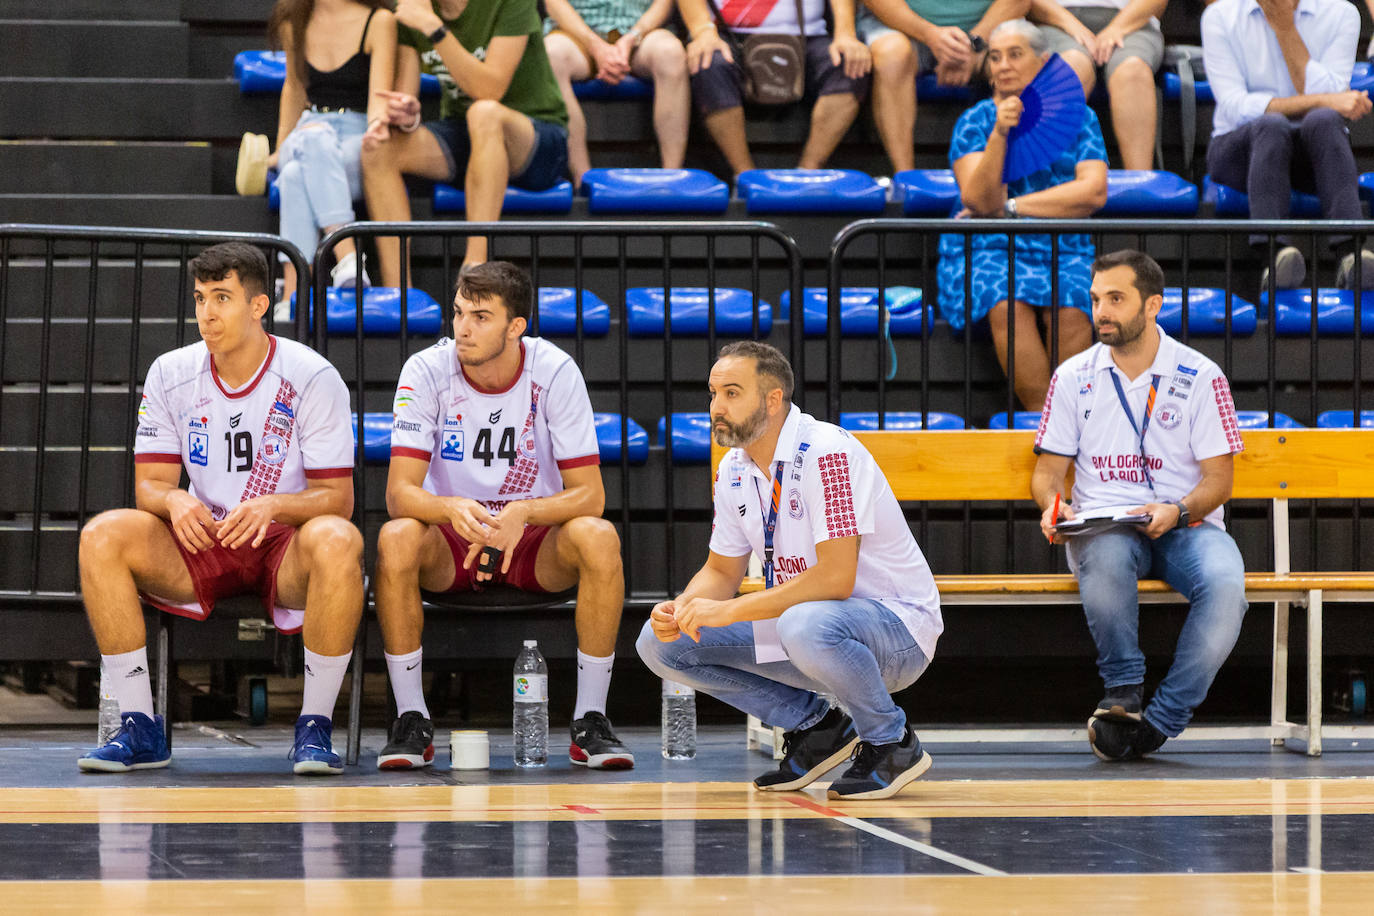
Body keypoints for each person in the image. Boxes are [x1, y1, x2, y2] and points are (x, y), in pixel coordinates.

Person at [76, 243, 364, 775]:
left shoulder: (312, 375)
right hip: (204, 536)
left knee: (339, 539)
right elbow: (151, 487)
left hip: (284, 544)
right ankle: (139, 728)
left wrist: (274, 505)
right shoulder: (171, 371)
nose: (207, 313)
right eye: (201, 298)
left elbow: (338, 500)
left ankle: (315, 729)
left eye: (223, 298)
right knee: (102, 535)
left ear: (259, 306)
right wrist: (176, 498)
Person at [637, 341, 943, 800]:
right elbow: (721, 571)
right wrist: (683, 609)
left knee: (806, 622)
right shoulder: (734, 470)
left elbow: (835, 579)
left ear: (773, 398)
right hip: (809, 628)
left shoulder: (828, 452)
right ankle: (819, 727)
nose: (716, 407)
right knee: (660, 644)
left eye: (732, 393)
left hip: (894, 630)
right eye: (713, 393)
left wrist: (728, 613)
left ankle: (890, 740)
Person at [375, 261, 633, 771]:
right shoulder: (425, 370)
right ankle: (411, 719)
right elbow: (400, 493)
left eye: (480, 316)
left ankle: (590, 720)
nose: (463, 328)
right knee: (397, 537)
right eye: (458, 313)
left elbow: (591, 496)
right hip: (453, 538)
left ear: (516, 327)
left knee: (599, 537)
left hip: (533, 540)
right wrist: (449, 507)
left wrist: (524, 512)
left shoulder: (554, 370)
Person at [1030, 249, 1248, 761]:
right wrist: (1052, 504)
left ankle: (1161, 721)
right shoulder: (1071, 376)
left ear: (1152, 305)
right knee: (1105, 555)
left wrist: (1180, 509)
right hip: (1104, 524)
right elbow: (1046, 473)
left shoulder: (1201, 375)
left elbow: (1220, 481)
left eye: (1116, 299)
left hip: (1185, 523)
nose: (1101, 311)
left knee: (1226, 585)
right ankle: (1123, 694)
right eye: (1096, 299)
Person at [937, 18, 1108, 411]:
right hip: (989, 243)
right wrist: (1000, 133)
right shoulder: (975, 121)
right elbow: (979, 200)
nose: (1003, 65)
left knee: (1074, 303)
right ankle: (1043, 420)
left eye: (1015, 55)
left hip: (1062, 243)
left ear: (1044, 63)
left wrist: (1011, 208)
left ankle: (1071, 420)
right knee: (1005, 301)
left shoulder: (1079, 117)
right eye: (995, 57)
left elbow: (1093, 190)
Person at [361, 0, 570, 283]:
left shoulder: (510, 3)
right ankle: (399, 295)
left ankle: (474, 271)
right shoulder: (414, 9)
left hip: (536, 137)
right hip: (466, 132)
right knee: (378, 150)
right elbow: (406, 96)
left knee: (484, 113)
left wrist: (434, 28)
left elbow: (489, 89)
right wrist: (406, 114)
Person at [1202, 0, 1374, 290]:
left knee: (1324, 121)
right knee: (1272, 125)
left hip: (1310, 151)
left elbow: (1332, 101)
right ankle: (1274, 258)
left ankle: (1352, 256)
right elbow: (1235, 106)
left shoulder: (1342, 12)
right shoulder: (1219, 16)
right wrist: (1321, 100)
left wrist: (1285, 28)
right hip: (1239, 150)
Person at [263, 0, 396, 301]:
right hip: (307, 129)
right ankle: (347, 256)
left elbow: (379, 95)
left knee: (297, 174)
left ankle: (291, 298)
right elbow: (294, 88)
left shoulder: (380, 21)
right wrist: (280, 147)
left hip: (356, 134)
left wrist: (378, 127)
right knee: (311, 142)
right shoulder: (293, 22)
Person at [676, 0, 873, 177]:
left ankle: (807, 173)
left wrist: (846, 34)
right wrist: (702, 32)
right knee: (709, 63)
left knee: (850, 64)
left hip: (808, 36)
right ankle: (744, 176)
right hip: (727, 35)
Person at [857, 0, 1028, 175]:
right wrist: (930, 34)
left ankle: (1020, 175)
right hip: (902, 27)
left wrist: (970, 44)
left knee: (1022, 62)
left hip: (985, 32)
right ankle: (906, 178)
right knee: (892, 56)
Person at [543, 0, 690, 187]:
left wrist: (633, 36)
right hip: (575, 34)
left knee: (671, 53)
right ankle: (584, 181)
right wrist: (593, 43)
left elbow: (665, 3)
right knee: (551, 55)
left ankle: (671, 178)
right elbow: (554, 4)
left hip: (641, 34)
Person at [1028, 0, 1165, 170]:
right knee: (1070, 68)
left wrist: (1117, 27)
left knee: (1132, 70)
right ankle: (1047, 180)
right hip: (1054, 19)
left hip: (1133, 20)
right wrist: (1069, 23)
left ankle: (1141, 181)